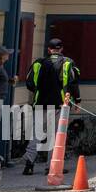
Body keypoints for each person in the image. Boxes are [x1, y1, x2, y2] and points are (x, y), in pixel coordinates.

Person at [21, 38, 81, 176]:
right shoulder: (68, 63)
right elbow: (73, 83)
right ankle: (51, 167)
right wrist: (77, 100)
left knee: (36, 135)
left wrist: (39, 92)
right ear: (61, 49)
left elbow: (29, 83)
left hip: (40, 103)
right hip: (60, 105)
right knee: (56, 136)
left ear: (49, 49)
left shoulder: (38, 63)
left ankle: (29, 165)